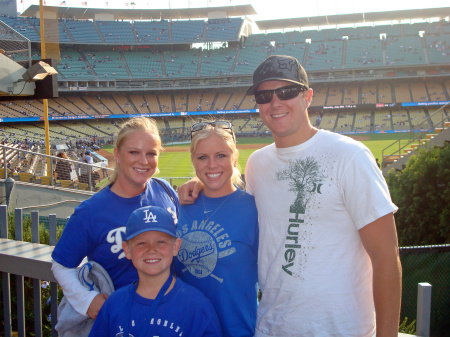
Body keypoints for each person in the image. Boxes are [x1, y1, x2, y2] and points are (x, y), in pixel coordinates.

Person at [179, 55, 402, 337]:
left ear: (308, 96)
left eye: (287, 92)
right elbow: (236, 201)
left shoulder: (350, 156)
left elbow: (386, 256)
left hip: (342, 330)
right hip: (273, 327)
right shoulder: (258, 164)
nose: (275, 103)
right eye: (264, 95)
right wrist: (199, 183)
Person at [51, 117, 179, 323]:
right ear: (117, 155)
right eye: (134, 152)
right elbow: (61, 264)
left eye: (151, 153)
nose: (144, 161)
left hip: (170, 315)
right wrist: (86, 300)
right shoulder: (91, 211)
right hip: (120, 319)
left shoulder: (166, 191)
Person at [174, 120, 258, 337]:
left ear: (235, 156)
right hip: (186, 328)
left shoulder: (254, 209)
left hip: (237, 330)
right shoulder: (182, 205)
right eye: (203, 157)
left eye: (221, 155)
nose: (212, 165)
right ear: (193, 160)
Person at [89, 205, 222, 337]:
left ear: (175, 246)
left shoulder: (196, 306)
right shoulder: (114, 305)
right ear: (127, 249)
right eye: (141, 243)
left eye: (161, 242)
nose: (151, 249)